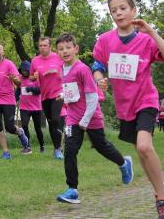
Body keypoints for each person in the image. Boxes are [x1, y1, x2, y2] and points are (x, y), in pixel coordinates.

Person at [92, 0, 164, 219]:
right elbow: (97, 65)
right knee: (142, 152)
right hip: (124, 106)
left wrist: (152, 32)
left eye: (122, 8)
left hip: (146, 100)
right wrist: (100, 77)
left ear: (133, 11)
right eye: (113, 10)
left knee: (143, 147)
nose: (118, 13)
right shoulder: (105, 40)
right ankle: (161, 190)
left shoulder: (146, 40)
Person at [55, 33, 133, 204]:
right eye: (61, 49)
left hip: (91, 117)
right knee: (69, 151)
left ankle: (123, 163)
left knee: (101, 146)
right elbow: (75, 91)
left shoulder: (82, 69)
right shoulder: (62, 69)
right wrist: (63, 95)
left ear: (76, 49)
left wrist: (85, 121)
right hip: (73, 117)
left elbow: (92, 98)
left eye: (68, 47)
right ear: (57, 52)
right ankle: (72, 190)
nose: (65, 51)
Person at [30, 37, 65, 159]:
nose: (42, 48)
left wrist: (59, 73)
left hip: (58, 92)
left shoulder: (58, 57)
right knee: (50, 122)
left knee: (56, 119)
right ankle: (57, 149)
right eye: (40, 46)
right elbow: (31, 77)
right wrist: (33, 78)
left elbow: (67, 70)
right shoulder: (35, 61)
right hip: (45, 95)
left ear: (50, 47)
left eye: (45, 45)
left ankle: (59, 148)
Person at [17, 60, 45, 154]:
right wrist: (14, 99)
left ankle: (42, 145)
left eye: (26, 70)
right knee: (24, 126)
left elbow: (40, 90)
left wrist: (31, 89)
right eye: (22, 70)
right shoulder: (20, 78)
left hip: (36, 107)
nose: (24, 72)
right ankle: (27, 146)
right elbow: (18, 90)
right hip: (24, 107)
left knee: (38, 128)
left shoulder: (35, 77)